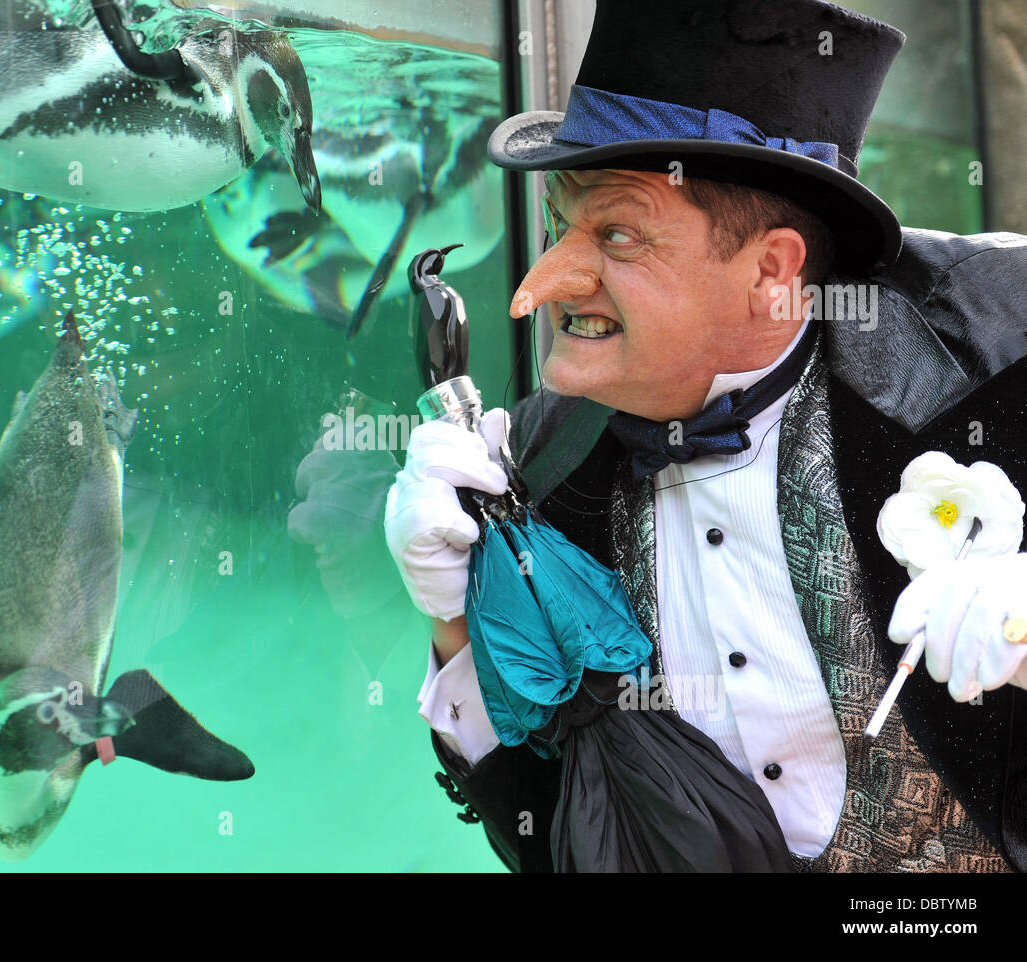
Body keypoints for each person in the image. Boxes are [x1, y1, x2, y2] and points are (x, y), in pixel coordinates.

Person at [384, 0, 1027, 872]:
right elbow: (561, 833)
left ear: (772, 271)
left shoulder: (1001, 347)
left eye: (616, 232)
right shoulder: (534, 469)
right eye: (558, 221)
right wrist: (455, 621)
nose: (539, 284)